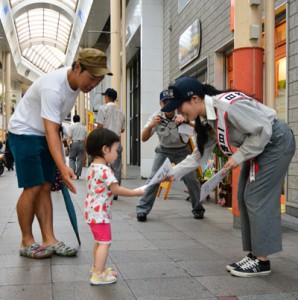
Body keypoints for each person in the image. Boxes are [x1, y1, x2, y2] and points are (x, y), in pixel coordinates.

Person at [161, 76, 296, 278]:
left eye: (180, 106)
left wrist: (239, 156)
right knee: (243, 195)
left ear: (195, 99)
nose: (180, 112)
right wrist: (173, 173)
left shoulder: (227, 106)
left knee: (256, 197)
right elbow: (199, 154)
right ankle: (254, 255)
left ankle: (262, 262)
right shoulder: (207, 118)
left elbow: (263, 130)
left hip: (274, 142)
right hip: (258, 147)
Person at [8, 48, 113, 259]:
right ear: (76, 67)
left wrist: (61, 164)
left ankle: (49, 239)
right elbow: (50, 130)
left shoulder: (75, 85)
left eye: (98, 81)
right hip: (24, 132)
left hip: (44, 134)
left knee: (46, 186)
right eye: (91, 78)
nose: (93, 85)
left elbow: (52, 130)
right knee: (33, 186)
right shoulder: (53, 87)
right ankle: (26, 241)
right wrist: (63, 167)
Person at [85, 128, 145, 285]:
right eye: (116, 150)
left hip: (91, 213)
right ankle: (98, 274)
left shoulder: (92, 167)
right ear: (105, 149)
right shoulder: (105, 170)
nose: (117, 154)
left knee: (99, 241)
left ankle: (97, 268)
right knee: (105, 242)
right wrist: (136, 192)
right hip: (100, 214)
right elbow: (116, 189)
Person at [136, 90, 205, 222]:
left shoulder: (183, 112)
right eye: (165, 102)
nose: (168, 106)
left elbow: (199, 130)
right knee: (153, 179)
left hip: (182, 151)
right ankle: (142, 209)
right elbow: (143, 138)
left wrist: (186, 121)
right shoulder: (156, 117)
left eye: (171, 103)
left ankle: (198, 208)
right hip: (163, 151)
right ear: (161, 103)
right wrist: (150, 126)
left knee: (191, 179)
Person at [96, 88, 125, 200]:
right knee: (116, 168)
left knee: (103, 167)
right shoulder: (121, 111)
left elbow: (99, 126)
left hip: (105, 143)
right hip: (116, 143)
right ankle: (115, 193)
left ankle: (103, 190)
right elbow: (122, 130)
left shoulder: (103, 109)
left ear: (107, 97)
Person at [68, 114, 87, 179]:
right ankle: (78, 175)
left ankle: (73, 174)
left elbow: (69, 136)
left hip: (74, 143)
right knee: (80, 160)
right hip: (82, 143)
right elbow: (86, 137)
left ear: (73, 120)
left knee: (71, 158)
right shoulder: (83, 127)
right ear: (79, 120)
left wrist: (68, 145)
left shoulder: (71, 127)